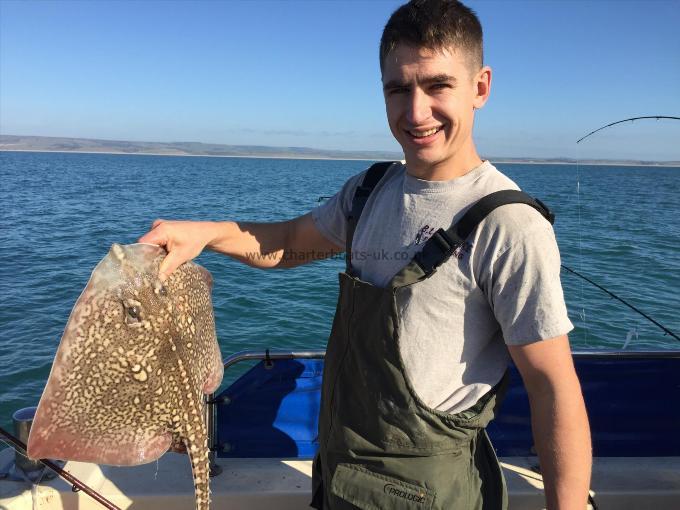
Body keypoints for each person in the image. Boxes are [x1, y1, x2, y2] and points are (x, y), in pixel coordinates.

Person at [139, 0, 592, 508]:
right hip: (339, 474)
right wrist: (205, 234)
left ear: (480, 88)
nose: (416, 112)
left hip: (432, 490)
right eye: (398, 89)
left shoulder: (509, 224)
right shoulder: (369, 190)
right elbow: (289, 244)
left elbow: (553, 388)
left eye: (438, 85)